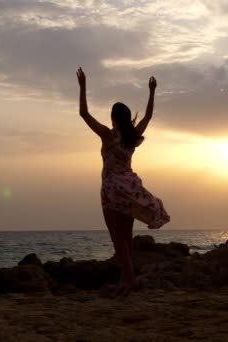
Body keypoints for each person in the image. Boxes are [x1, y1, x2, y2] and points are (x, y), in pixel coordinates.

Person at [76, 67, 170, 296]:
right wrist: (152, 91)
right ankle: (126, 282)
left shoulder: (108, 135)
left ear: (113, 118)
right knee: (126, 239)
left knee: (118, 240)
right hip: (129, 189)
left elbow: (84, 114)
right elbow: (148, 116)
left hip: (111, 191)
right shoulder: (131, 137)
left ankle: (130, 283)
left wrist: (83, 86)